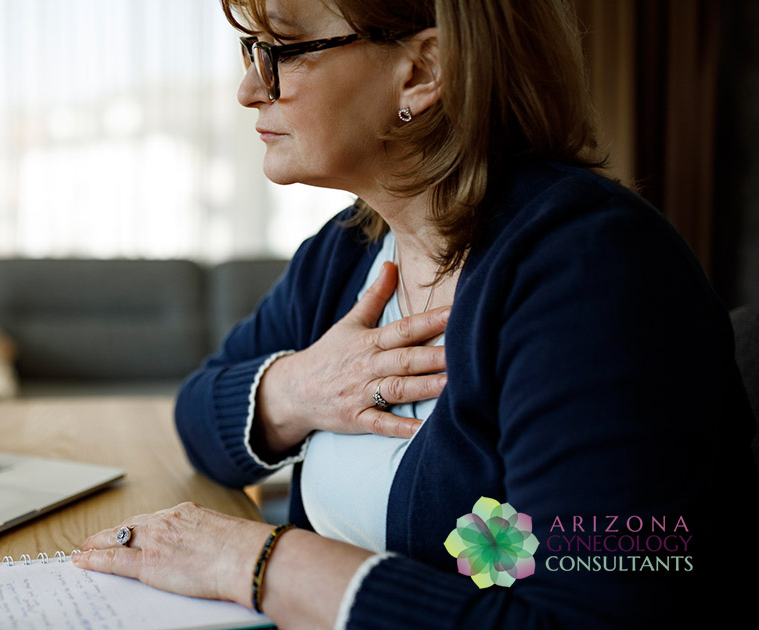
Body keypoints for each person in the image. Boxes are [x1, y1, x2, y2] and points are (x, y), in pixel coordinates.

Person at [72, 0, 758, 627]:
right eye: (251, 50)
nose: (250, 88)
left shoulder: (593, 277)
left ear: (421, 71)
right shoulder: (350, 250)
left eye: (281, 49)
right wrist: (300, 389)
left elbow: (584, 618)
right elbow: (198, 415)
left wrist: (255, 563)